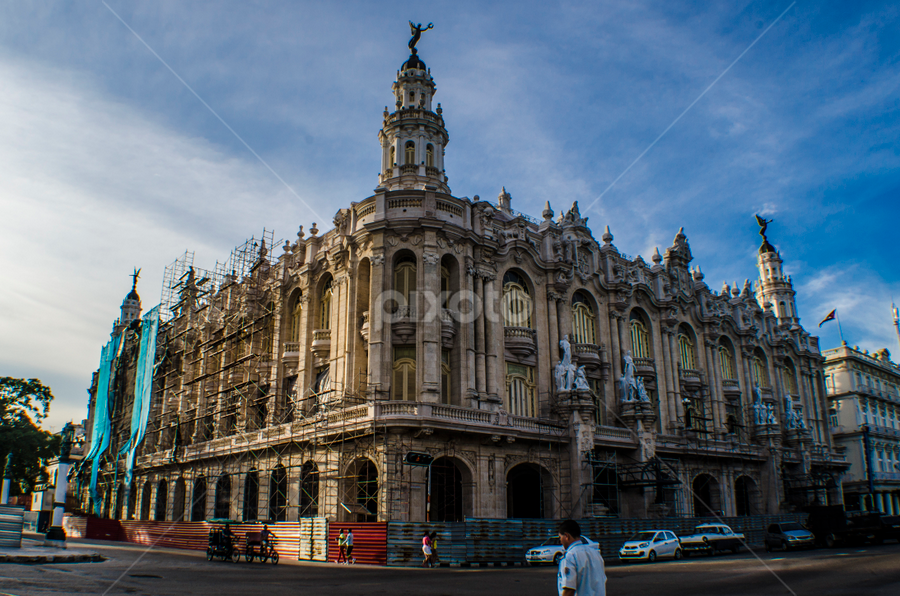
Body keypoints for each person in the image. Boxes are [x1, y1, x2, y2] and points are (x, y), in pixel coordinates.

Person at [557, 520, 606, 596]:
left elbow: (569, 589)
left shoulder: (570, 556)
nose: (560, 541)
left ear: (566, 536)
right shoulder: (595, 554)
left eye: (560, 537)